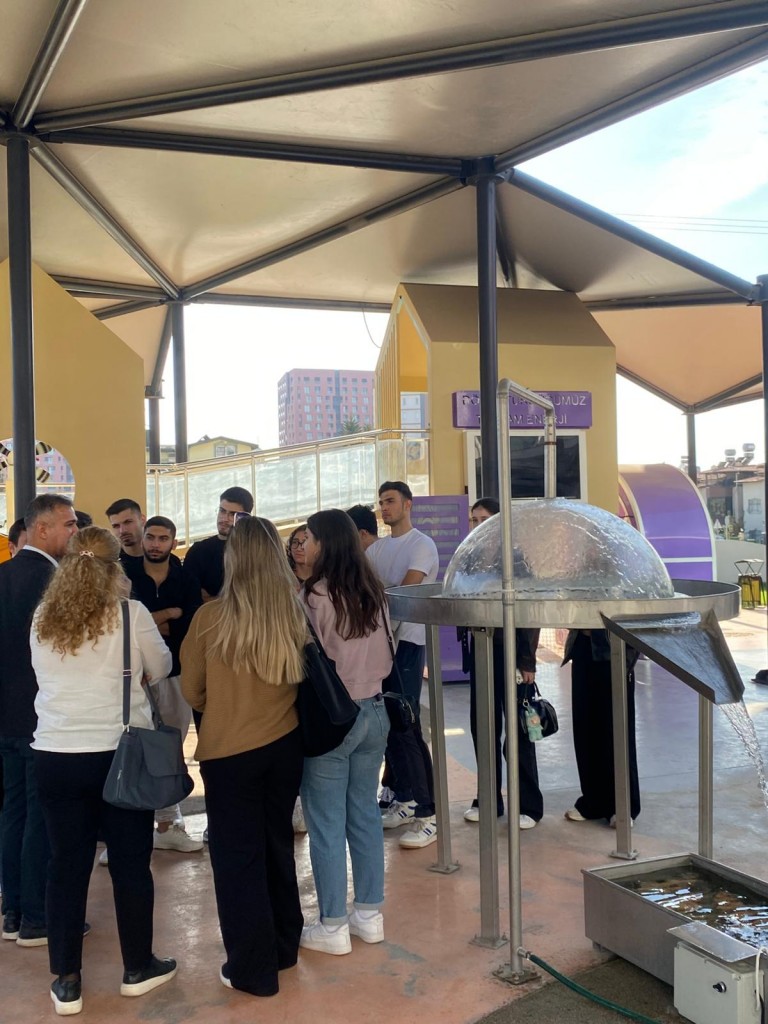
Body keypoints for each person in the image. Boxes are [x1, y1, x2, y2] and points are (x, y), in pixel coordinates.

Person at [30, 527, 176, 1015]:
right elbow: (162, 667)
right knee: (131, 865)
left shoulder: (43, 617)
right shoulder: (131, 614)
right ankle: (137, 968)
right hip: (120, 754)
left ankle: (66, 980)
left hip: (55, 753)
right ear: (117, 568)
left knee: (65, 866)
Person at [181, 515, 305, 997]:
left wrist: (226, 703)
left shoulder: (209, 618)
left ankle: (252, 970)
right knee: (277, 846)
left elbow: (192, 690)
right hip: (284, 746)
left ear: (232, 558)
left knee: (237, 861)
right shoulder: (292, 611)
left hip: (229, 753)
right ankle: (284, 947)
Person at [299, 509, 392, 956]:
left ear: (326, 543)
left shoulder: (314, 595)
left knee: (326, 824)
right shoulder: (373, 591)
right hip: (376, 710)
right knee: (365, 815)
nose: (304, 545)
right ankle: (370, 916)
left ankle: (333, 923)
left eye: (309, 537)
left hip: (333, 720)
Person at [0, 495, 78, 947]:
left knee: (12, 812)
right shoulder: (55, 582)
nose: (75, 531)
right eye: (69, 524)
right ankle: (35, 916)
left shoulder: (2, 576)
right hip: (42, 719)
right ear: (42, 529)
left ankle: (11, 910)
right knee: (39, 818)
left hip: (6, 719)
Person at [459, 497, 543, 829]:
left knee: (520, 730)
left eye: (484, 520)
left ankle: (529, 805)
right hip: (482, 650)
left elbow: (529, 612)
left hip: (511, 653)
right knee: (484, 727)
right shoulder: (471, 558)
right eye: (473, 519)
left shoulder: (516, 560)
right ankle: (488, 799)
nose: (477, 525)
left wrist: (527, 661)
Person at [123, 516, 202, 853]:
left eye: (162, 538)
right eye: (151, 537)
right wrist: (168, 614)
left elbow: (191, 627)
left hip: (176, 674)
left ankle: (168, 823)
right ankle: (124, 833)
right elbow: (123, 625)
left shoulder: (186, 578)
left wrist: (149, 622)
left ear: (174, 541)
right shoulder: (126, 576)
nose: (155, 544)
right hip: (131, 677)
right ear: (142, 538)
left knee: (170, 747)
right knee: (130, 749)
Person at [367, 481, 440, 849]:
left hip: (408, 642)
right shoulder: (376, 549)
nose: (385, 507)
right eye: (381, 502)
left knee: (407, 725)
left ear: (408, 504)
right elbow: (368, 592)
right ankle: (406, 799)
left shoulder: (422, 544)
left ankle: (428, 812)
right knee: (389, 726)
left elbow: (405, 591)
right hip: (378, 645)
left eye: (391, 501)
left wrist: (382, 591)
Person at [562, 630, 641, 825]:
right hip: (583, 645)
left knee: (617, 730)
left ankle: (622, 807)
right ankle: (593, 802)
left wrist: (627, 658)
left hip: (614, 649)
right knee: (585, 729)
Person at [183, 487, 254, 602]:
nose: (224, 519)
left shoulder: (255, 550)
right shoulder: (199, 551)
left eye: (232, 514)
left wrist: (212, 600)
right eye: (222, 511)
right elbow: (191, 599)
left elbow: (256, 596)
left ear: (244, 517)